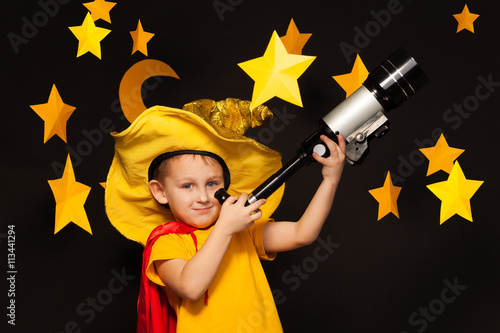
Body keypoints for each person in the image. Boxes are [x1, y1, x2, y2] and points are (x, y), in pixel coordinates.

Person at [105, 102, 345, 333]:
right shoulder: (167, 242)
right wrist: (226, 228)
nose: (203, 197)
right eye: (187, 186)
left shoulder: (244, 229)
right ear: (160, 191)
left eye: (212, 184)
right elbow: (190, 286)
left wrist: (330, 180)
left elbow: (302, 234)